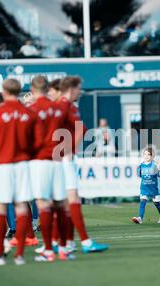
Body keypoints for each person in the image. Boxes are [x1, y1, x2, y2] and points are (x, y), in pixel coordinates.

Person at [0, 79, 36, 266]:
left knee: (0, 207)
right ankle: (19, 254)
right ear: (19, 91)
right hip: (21, 165)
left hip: (2, 164)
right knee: (21, 206)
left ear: (4, 91)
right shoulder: (28, 113)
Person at [57, 76, 109, 253]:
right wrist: (67, 150)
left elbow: (81, 130)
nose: (80, 91)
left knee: (65, 203)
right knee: (69, 201)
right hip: (62, 159)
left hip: (63, 157)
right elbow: (52, 131)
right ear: (71, 89)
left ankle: (66, 242)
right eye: (78, 88)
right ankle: (80, 242)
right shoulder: (63, 106)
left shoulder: (69, 106)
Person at [29, 75, 77, 262]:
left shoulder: (31, 110)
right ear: (48, 88)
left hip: (39, 162)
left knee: (43, 205)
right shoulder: (57, 109)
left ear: (33, 90)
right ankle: (64, 248)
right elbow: (74, 129)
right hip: (58, 161)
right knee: (60, 205)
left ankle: (49, 250)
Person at [131, 147, 160, 224]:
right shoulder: (141, 165)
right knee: (143, 202)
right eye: (145, 154)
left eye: (149, 154)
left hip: (153, 188)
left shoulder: (154, 165)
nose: (146, 156)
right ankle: (140, 218)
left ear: (152, 156)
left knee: (156, 203)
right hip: (144, 188)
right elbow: (140, 175)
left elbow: (159, 175)